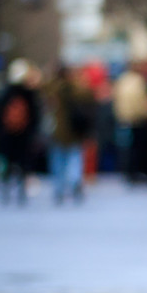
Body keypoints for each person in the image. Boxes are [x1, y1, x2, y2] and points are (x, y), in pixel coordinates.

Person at [42, 62, 93, 203]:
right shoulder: (75, 87)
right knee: (74, 158)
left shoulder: (53, 88)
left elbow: (43, 90)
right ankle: (74, 181)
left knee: (58, 160)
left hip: (57, 130)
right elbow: (88, 96)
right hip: (74, 130)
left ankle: (59, 188)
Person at [0, 58, 41, 204]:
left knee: (8, 163)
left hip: (8, 134)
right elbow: (35, 115)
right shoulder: (29, 93)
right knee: (23, 164)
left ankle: (6, 191)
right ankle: (21, 191)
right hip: (24, 134)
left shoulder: (5, 92)